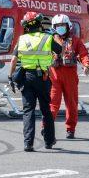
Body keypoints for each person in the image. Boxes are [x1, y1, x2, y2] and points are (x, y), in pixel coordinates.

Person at [9, 11, 62, 152]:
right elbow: (59, 49)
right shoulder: (47, 38)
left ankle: (28, 144)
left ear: (26, 26)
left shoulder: (22, 40)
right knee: (46, 110)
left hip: (26, 78)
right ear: (39, 24)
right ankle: (49, 142)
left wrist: (10, 77)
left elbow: (13, 61)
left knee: (28, 111)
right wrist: (52, 34)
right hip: (43, 78)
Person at [48, 14, 89, 139]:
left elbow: (83, 54)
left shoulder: (75, 40)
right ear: (54, 27)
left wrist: (86, 65)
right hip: (54, 76)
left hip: (70, 76)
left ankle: (70, 129)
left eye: (62, 25)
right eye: (58, 26)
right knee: (52, 104)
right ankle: (47, 127)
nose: (60, 27)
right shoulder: (50, 40)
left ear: (68, 26)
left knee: (71, 104)